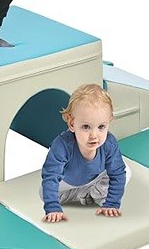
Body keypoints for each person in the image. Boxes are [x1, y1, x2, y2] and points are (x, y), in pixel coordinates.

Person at [41, 84, 131, 222]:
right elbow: (51, 176)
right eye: (86, 127)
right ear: (72, 123)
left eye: (101, 127)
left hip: (95, 178)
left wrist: (112, 203)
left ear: (109, 123)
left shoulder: (109, 144)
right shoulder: (62, 145)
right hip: (67, 182)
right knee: (44, 193)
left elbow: (117, 174)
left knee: (126, 170)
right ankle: (83, 193)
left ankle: (94, 192)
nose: (94, 135)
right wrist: (53, 207)